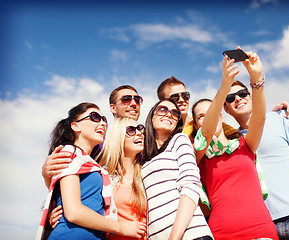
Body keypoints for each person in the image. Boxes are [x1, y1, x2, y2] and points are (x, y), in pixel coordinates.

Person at [223, 56, 289, 239]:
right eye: (231, 97)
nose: (238, 99)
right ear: (225, 109)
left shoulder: (283, 118)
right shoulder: (232, 142)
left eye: (242, 93)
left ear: (250, 95)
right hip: (264, 228)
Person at [192, 51, 278, 240]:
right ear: (197, 125)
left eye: (212, 111)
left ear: (222, 116)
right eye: (202, 116)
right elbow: (206, 134)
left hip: (261, 229)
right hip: (221, 233)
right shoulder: (197, 156)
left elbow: (259, 117)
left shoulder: (244, 144)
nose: (209, 117)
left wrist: (256, 78)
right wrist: (224, 88)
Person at [36, 102, 144, 240]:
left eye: (104, 119)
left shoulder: (91, 164)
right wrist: (121, 227)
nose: (103, 123)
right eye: (95, 117)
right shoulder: (69, 153)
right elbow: (73, 212)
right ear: (75, 126)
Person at [42, 85, 143, 188]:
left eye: (137, 100)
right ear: (113, 108)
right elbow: (66, 172)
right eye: (126, 99)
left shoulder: (144, 139)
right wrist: (48, 175)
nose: (133, 103)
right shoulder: (97, 135)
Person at [141, 98, 213, 240]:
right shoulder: (144, 158)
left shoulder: (179, 140)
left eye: (175, 113)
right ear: (151, 116)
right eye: (163, 110)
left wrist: (174, 238)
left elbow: (191, 186)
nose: (169, 114)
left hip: (190, 235)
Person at [98, 117, 147, 240]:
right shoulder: (102, 176)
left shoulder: (147, 173)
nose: (139, 133)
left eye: (140, 128)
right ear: (117, 136)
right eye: (131, 130)